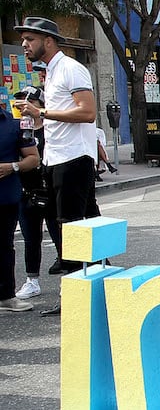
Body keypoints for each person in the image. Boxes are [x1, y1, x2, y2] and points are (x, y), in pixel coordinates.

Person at [12, 17, 100, 280]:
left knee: (71, 228)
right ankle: (99, 281)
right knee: (80, 223)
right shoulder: (51, 72)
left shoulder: (70, 68)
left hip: (73, 157)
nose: (24, 45)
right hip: (56, 158)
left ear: (48, 41)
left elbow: (88, 112)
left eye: (30, 39)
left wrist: (41, 112)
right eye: (23, 40)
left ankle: (78, 288)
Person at [0, 104, 40, 312]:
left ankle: (6, 296)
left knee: (4, 246)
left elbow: (33, 158)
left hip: (5, 197)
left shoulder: (15, 125)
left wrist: (12, 167)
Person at [13, 87, 49, 301]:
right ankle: (32, 279)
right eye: (19, 101)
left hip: (49, 189)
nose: (23, 106)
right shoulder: (18, 129)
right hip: (26, 191)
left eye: (29, 101)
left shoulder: (51, 129)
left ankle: (69, 274)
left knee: (60, 234)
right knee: (30, 237)